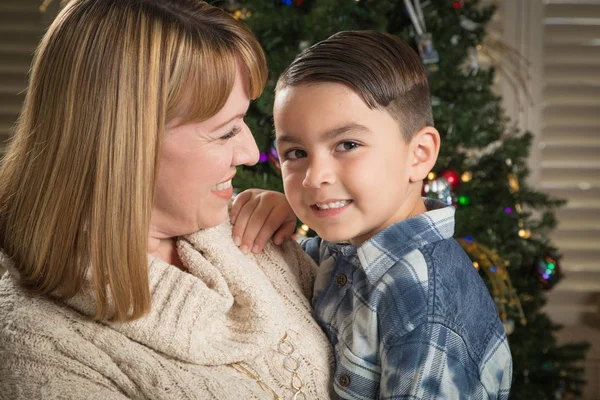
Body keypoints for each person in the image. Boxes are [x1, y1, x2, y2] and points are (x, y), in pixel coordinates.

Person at [0, 1, 335, 399]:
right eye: (226, 132)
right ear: (126, 143)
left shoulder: (255, 237)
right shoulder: (41, 350)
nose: (250, 152)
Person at [231, 31, 513, 399]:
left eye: (347, 145)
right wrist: (281, 214)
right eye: (296, 153)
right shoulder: (342, 248)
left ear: (419, 154)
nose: (315, 177)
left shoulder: (422, 303)